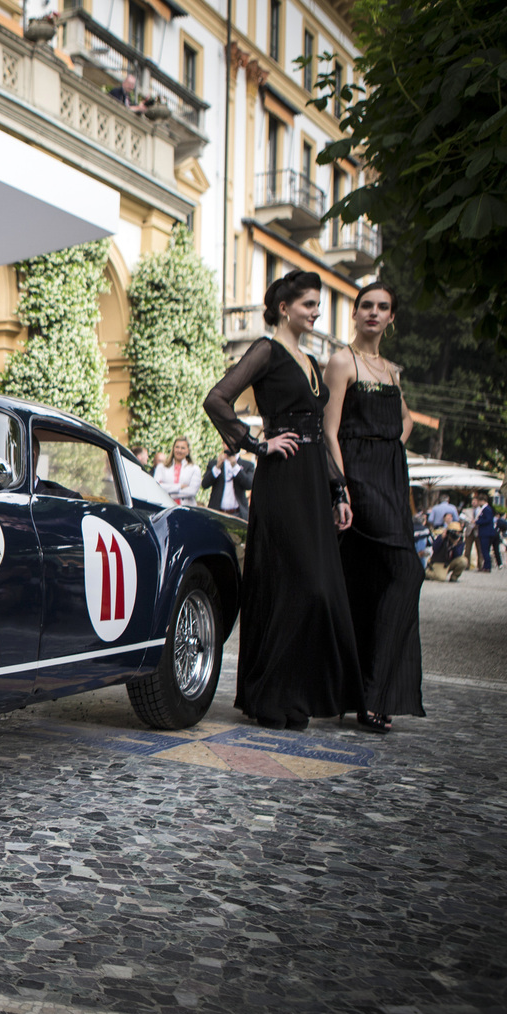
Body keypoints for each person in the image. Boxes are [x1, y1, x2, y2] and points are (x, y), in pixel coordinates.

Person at [203, 269, 363, 730]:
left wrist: (338, 491)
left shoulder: (311, 360)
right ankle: (269, 693)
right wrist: (257, 445)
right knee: (295, 585)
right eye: (310, 304)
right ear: (284, 307)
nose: (316, 312)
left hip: (314, 481)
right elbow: (217, 399)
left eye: (317, 304)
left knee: (320, 590)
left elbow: (317, 431)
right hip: (282, 478)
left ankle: (295, 694)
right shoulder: (265, 350)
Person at [321, 281, 424, 733]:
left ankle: (365, 695)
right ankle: (373, 690)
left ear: (392, 318)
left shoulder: (391, 371)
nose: (374, 313)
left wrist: (391, 445)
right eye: (367, 305)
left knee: (370, 584)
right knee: (409, 571)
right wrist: (342, 489)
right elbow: (329, 431)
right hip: (360, 478)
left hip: (391, 478)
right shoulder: (343, 361)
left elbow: (406, 420)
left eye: (383, 307)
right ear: (356, 312)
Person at [153, 436, 202, 506]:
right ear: (173, 449)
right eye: (177, 447)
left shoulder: (194, 469)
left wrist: (168, 494)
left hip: (186, 510)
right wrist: (179, 486)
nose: (179, 450)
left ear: (188, 451)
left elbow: (192, 491)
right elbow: (156, 487)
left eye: (183, 448)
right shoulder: (161, 467)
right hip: (165, 508)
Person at [206, 450, 256, 519]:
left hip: (237, 514)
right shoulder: (214, 463)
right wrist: (217, 468)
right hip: (217, 512)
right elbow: (204, 484)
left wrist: (235, 467)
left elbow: (249, 485)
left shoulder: (247, 465)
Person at [472, 493, 497, 572]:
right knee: (485, 550)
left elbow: (487, 520)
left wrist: (478, 521)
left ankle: (487, 567)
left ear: (481, 501)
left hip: (486, 532)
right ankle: (485, 566)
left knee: (485, 550)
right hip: (486, 532)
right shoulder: (486, 509)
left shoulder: (486, 509)